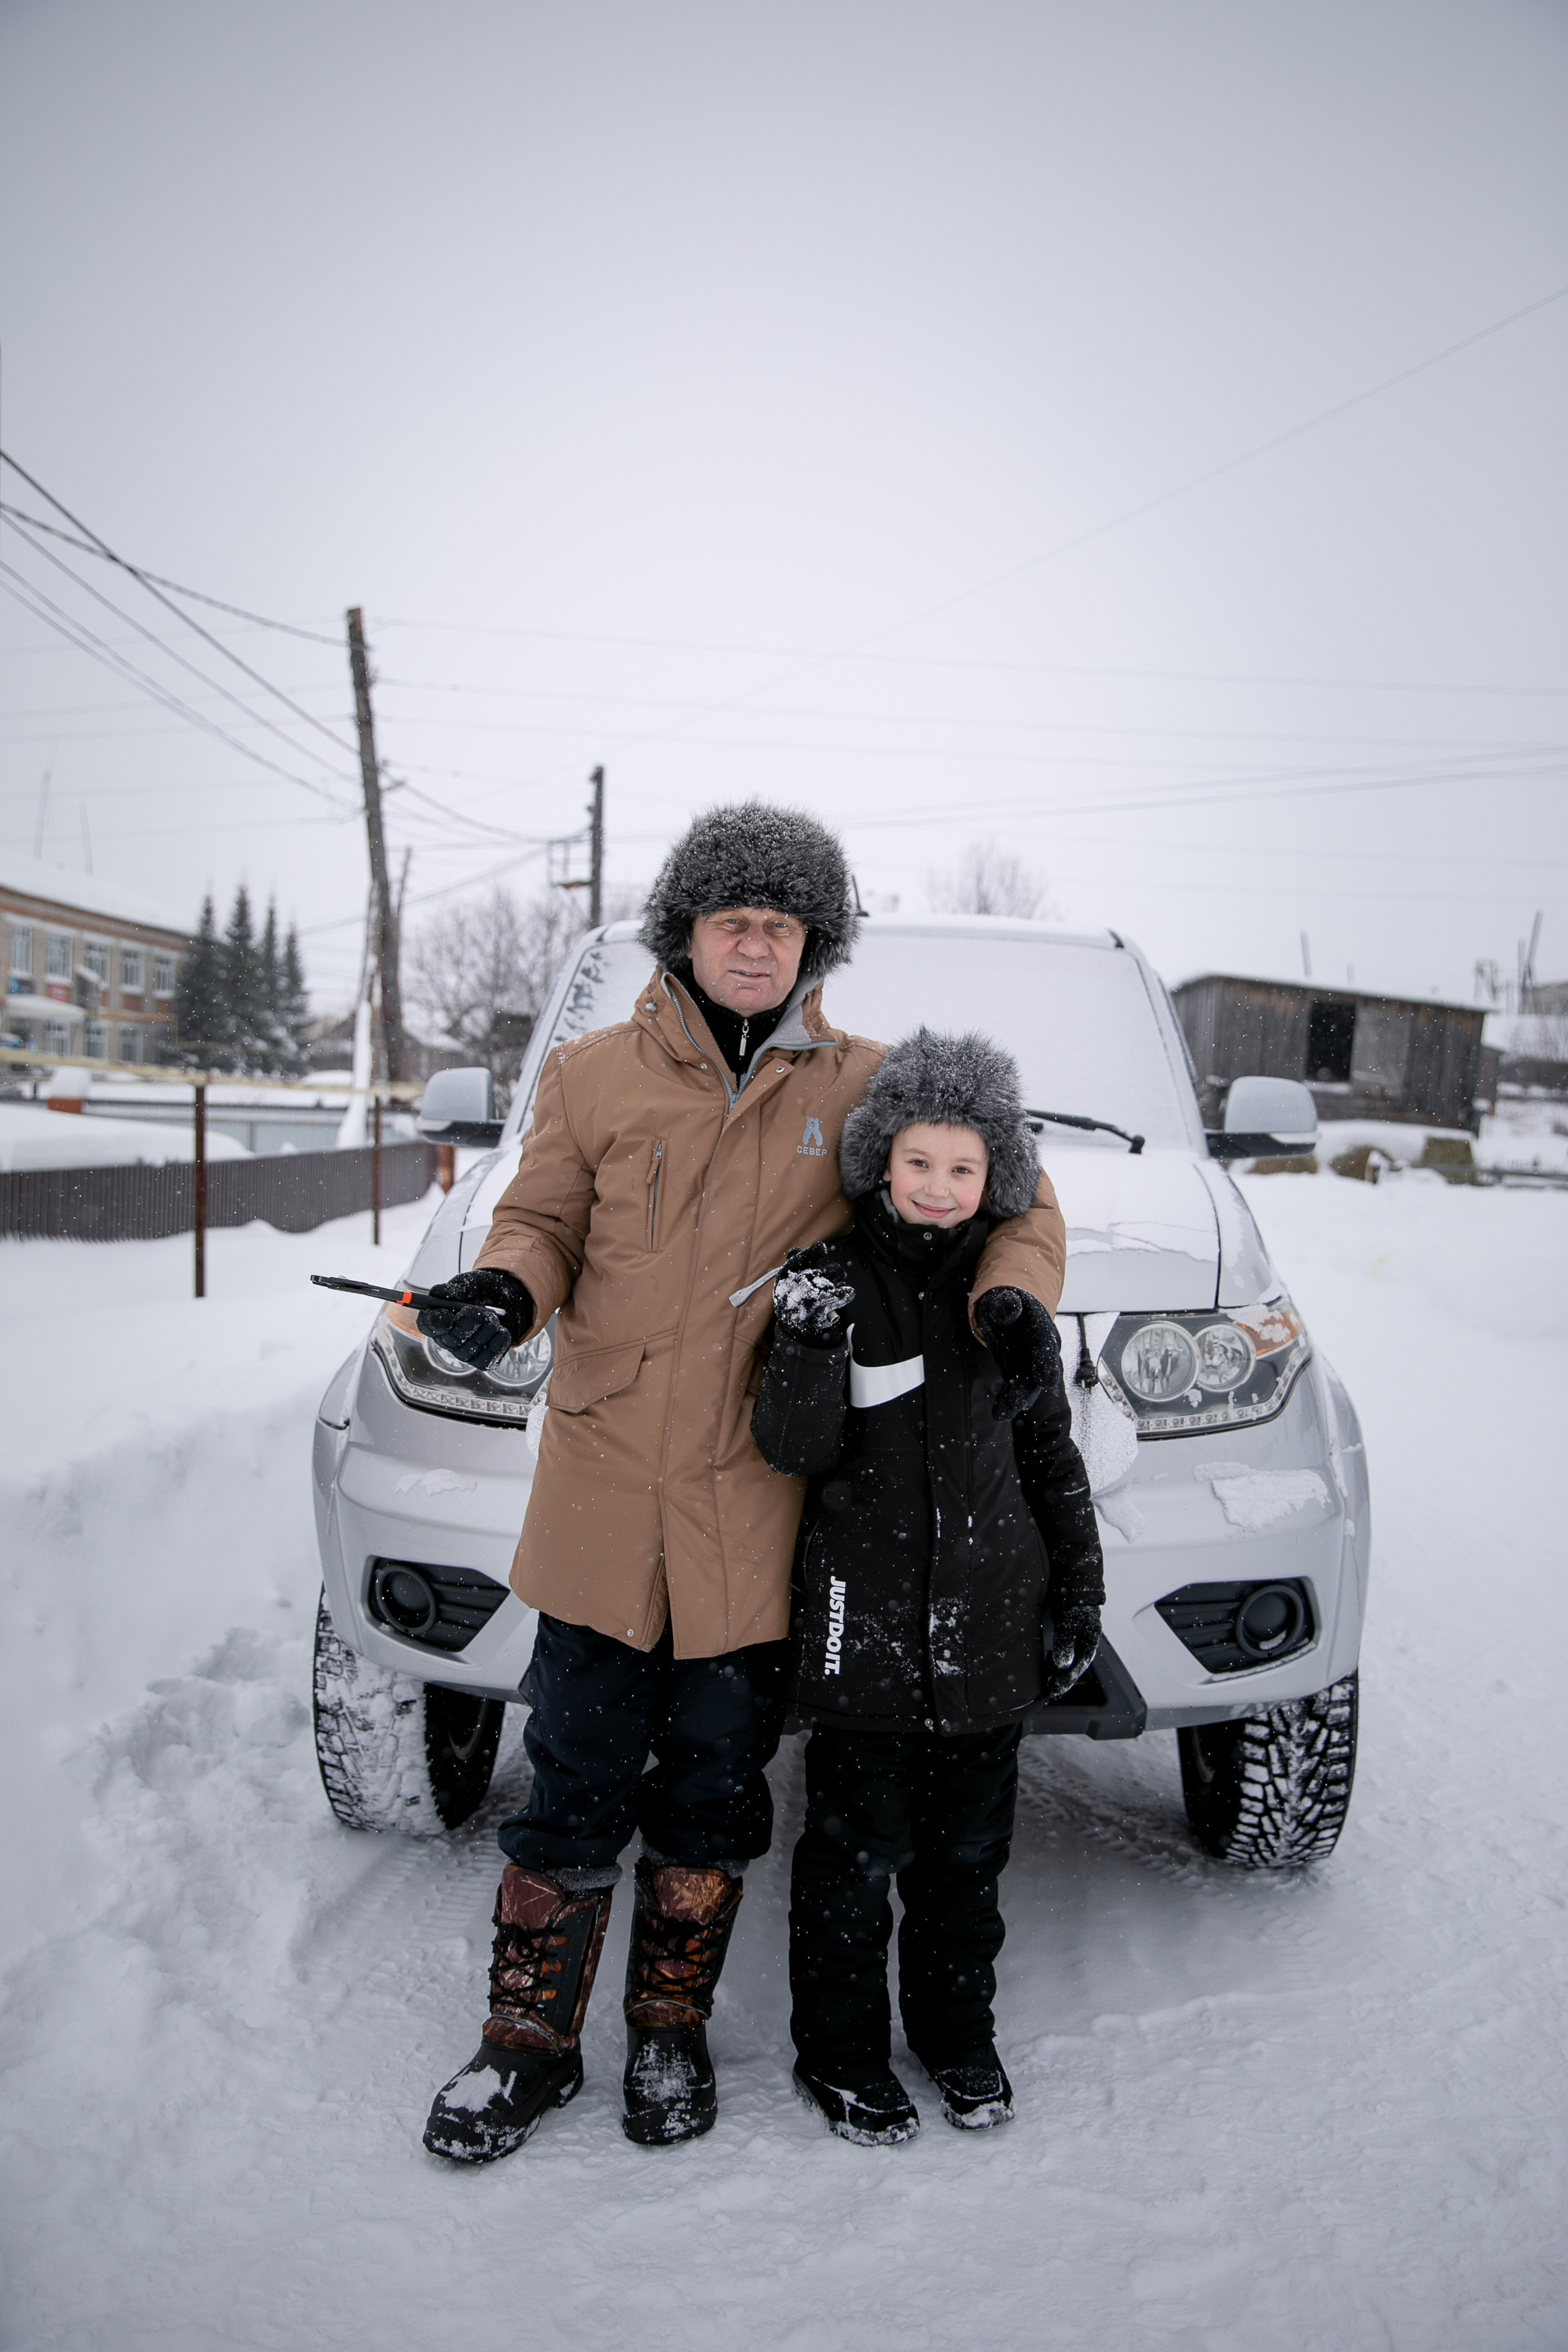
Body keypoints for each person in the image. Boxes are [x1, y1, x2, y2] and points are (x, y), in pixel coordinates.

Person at [413, 804, 1070, 2163]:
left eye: (783, 923)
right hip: (602, 1494)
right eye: (733, 919)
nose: (757, 941)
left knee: (713, 1788)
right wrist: (500, 1288)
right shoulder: (594, 1076)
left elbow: (1021, 1203)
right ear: (688, 934)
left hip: (758, 1513)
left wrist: (1008, 1302)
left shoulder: (870, 1086)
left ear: (815, 942)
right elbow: (538, 1222)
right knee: (573, 1776)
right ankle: (523, 2045)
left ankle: (667, 2028)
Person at [749, 1028, 1105, 2146]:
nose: (940, 1189)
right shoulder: (836, 1282)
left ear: (993, 1174)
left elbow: (1052, 1463)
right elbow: (792, 1451)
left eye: (963, 1169)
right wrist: (804, 1348)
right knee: (852, 1866)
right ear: (879, 1165)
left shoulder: (1008, 1306)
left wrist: (1078, 1597)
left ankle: (958, 2038)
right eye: (918, 1164)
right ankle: (842, 2053)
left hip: (990, 1635)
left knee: (965, 1869)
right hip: (867, 1640)